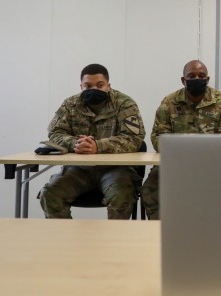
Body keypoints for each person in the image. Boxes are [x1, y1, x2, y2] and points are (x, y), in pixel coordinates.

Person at [39, 64, 145, 219]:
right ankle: (63, 240)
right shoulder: (70, 104)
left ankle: (116, 242)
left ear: (108, 86)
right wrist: (75, 143)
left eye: (99, 85)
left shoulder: (124, 103)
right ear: (81, 86)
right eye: (88, 86)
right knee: (50, 194)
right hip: (78, 169)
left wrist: (98, 146)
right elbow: (55, 133)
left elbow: (134, 138)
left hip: (115, 169)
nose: (93, 89)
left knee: (122, 196)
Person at [141, 60, 221, 220]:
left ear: (207, 79)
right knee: (150, 191)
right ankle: (159, 234)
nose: (197, 79)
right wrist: (182, 146)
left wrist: (200, 147)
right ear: (183, 80)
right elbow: (157, 137)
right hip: (174, 164)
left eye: (201, 76)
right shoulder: (169, 102)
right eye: (191, 76)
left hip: (211, 165)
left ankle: (212, 235)